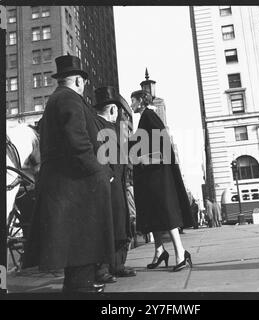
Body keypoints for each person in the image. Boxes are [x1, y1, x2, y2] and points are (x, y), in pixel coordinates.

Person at [23, 55, 115, 293]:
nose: (84, 85)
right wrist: (97, 170)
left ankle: (77, 282)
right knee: (83, 232)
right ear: (76, 80)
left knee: (76, 234)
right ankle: (80, 284)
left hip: (65, 181)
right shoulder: (69, 99)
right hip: (75, 181)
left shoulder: (58, 99)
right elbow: (77, 140)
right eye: (83, 81)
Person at [130, 90, 193, 272]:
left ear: (141, 101)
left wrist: (146, 159)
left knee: (165, 212)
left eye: (133, 100)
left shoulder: (150, 115)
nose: (132, 104)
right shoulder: (144, 118)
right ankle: (160, 251)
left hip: (158, 175)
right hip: (150, 176)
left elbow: (164, 144)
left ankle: (180, 253)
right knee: (153, 213)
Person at [93, 86, 136, 283]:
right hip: (107, 184)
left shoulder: (107, 127)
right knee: (108, 225)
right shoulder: (100, 127)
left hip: (117, 184)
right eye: (118, 110)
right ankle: (102, 269)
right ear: (112, 109)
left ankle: (117, 265)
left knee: (120, 224)